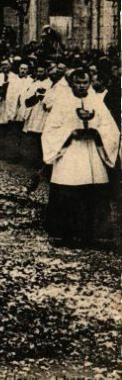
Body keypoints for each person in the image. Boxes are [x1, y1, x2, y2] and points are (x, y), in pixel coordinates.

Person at [41, 68, 120, 248]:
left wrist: (97, 133)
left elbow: (110, 128)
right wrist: (70, 133)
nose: (82, 86)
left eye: (85, 82)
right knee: (68, 189)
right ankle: (65, 235)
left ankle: (92, 236)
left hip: (92, 153)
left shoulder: (96, 102)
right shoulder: (62, 103)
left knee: (93, 193)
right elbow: (51, 129)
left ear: (90, 83)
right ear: (71, 83)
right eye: (78, 82)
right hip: (70, 153)